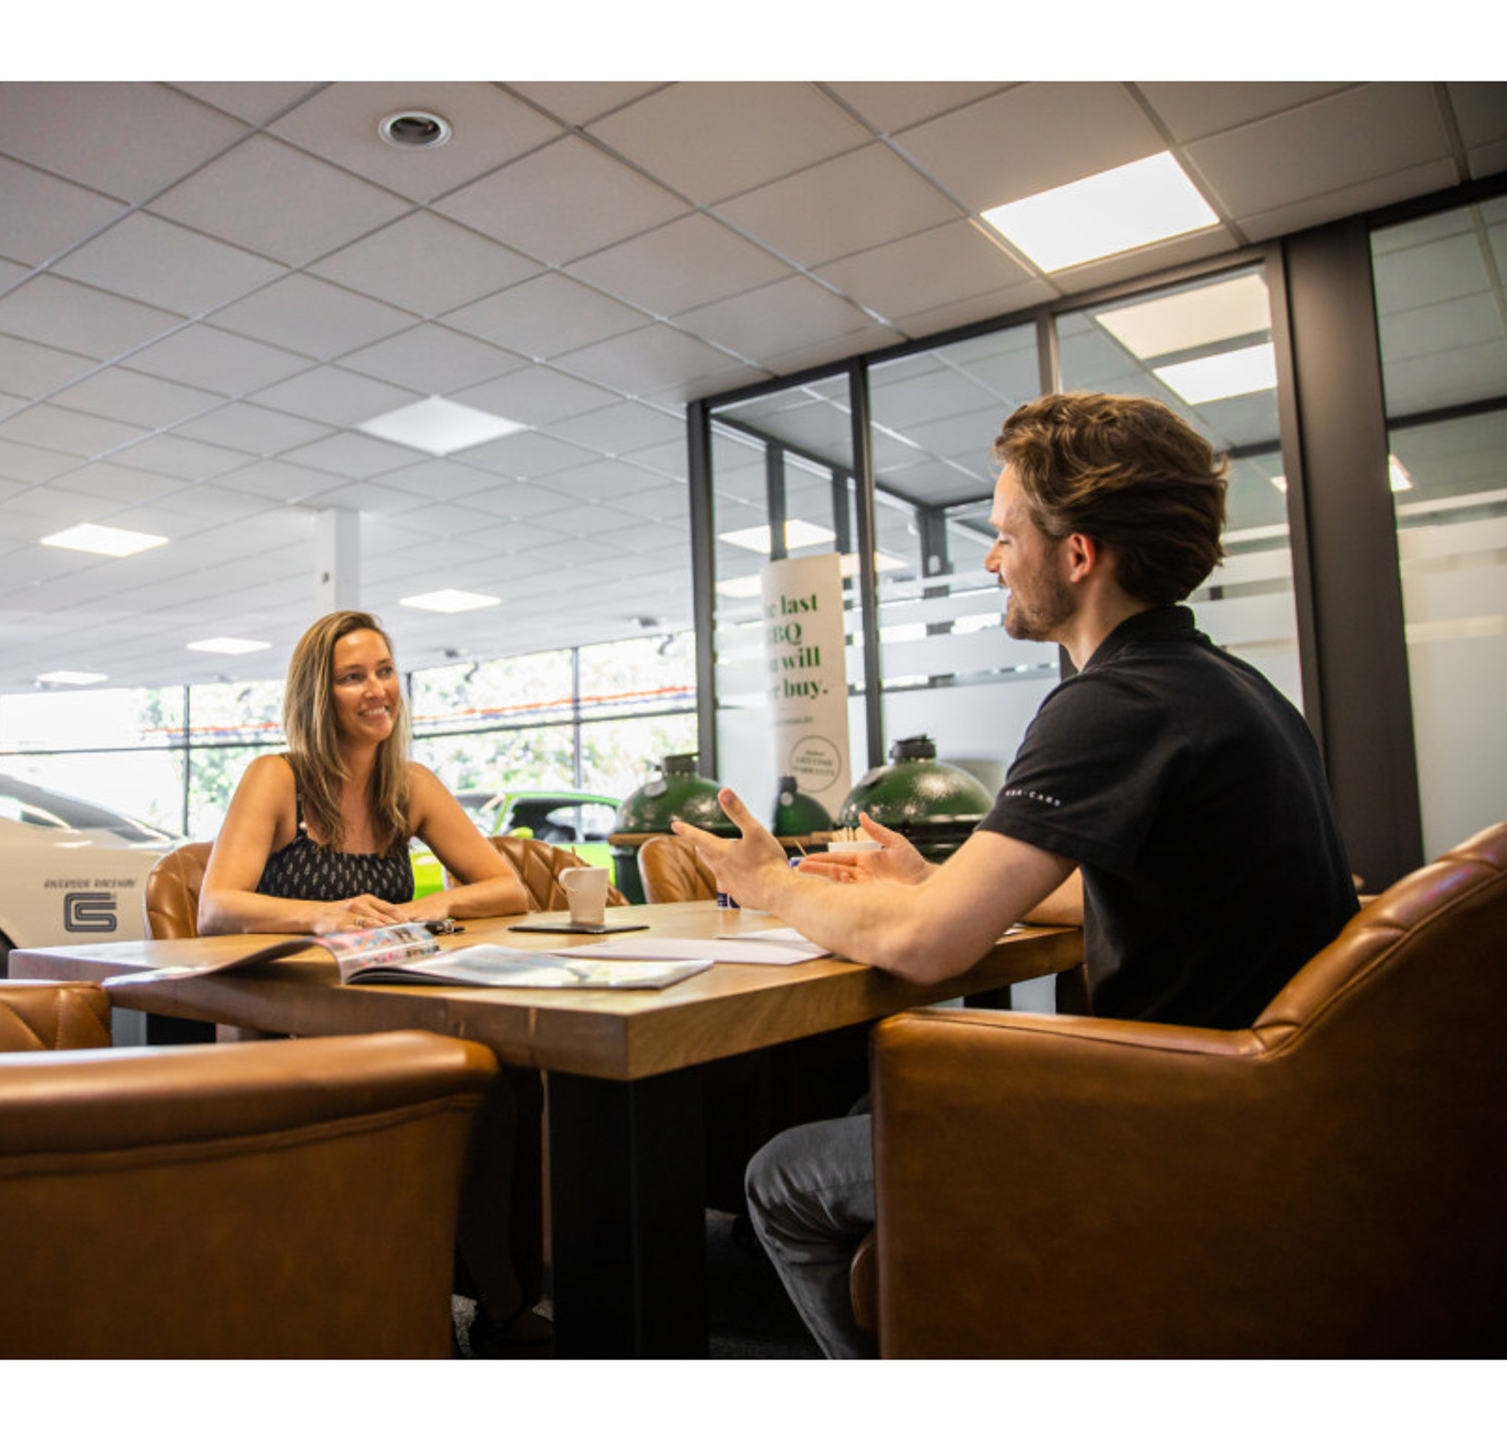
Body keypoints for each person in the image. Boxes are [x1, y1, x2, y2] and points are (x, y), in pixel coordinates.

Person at [673, 391, 1359, 1358]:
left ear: (1077, 555)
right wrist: (935, 883)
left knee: (783, 1174)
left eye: (1003, 535)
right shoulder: (1227, 687)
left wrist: (773, 885)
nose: (992, 561)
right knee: (875, 1105)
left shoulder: (1114, 702)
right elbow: (1154, 885)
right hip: (1270, 1106)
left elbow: (926, 950)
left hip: (1179, 1121)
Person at [197, 609, 549, 1357]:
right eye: (353, 677)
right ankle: (381, 1307)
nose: (376, 690)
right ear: (317, 695)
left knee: (496, 1089)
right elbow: (216, 907)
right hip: (285, 1022)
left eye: (384, 671)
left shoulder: (408, 784)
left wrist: (420, 909)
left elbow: (507, 889)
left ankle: (498, 1302)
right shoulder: (277, 778)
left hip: (387, 1008)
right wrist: (322, 914)